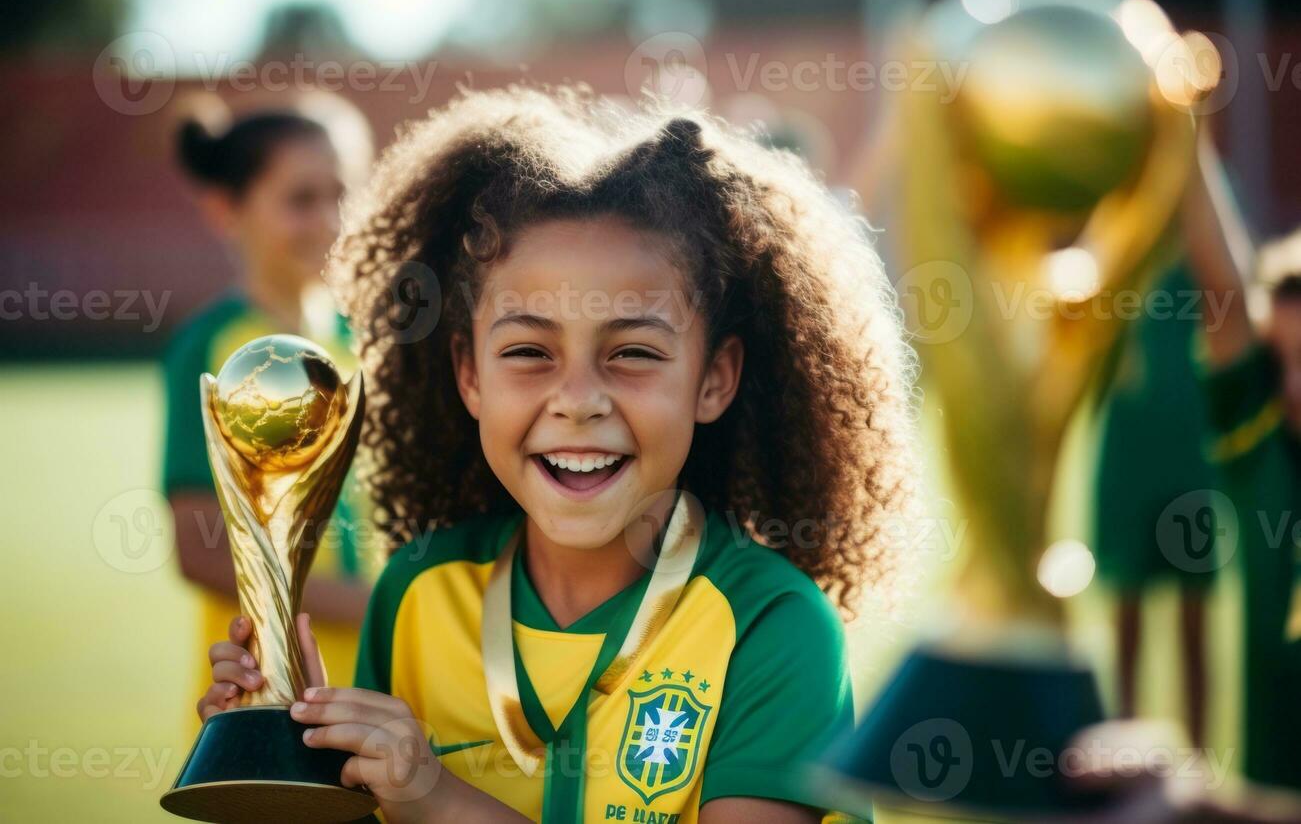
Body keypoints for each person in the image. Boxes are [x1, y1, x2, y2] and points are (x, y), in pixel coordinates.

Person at [195, 86, 918, 822]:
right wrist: (289, 758)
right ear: (469, 375)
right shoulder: (416, 594)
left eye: (632, 352)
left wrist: (437, 798)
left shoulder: (770, 623)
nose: (577, 398)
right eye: (528, 352)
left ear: (714, 378)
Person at [162, 105, 376, 707]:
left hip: (376, 677)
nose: (329, 220)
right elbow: (200, 549)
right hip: (259, 689)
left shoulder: (364, 339)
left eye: (341, 194)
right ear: (226, 210)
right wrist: (375, 605)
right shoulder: (210, 346)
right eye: (301, 199)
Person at [1179, 128, 1301, 793]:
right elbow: (1222, 288)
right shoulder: (1255, 435)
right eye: (1281, 362)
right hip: (1268, 790)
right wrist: (1182, 132)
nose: (1294, 387)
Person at [1092, 258, 1219, 744]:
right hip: (1128, 453)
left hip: (1190, 449)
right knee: (1126, 619)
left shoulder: (1197, 247)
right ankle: (1121, 759)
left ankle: (1199, 766)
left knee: (1194, 622)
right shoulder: (1120, 243)